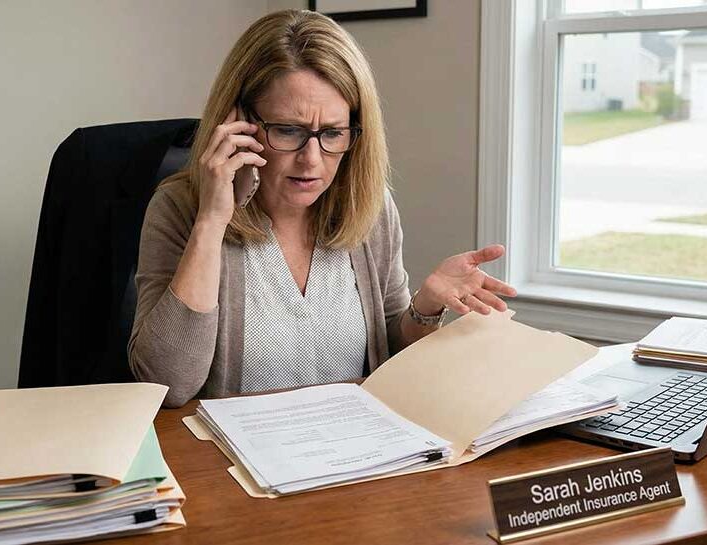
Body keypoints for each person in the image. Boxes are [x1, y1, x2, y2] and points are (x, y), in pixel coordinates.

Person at [128, 9, 516, 408]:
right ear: (239, 122)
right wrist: (211, 221)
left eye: (332, 133)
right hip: (227, 462)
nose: (312, 159)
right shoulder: (179, 208)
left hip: (350, 454)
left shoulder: (371, 205)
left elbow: (390, 355)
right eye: (289, 130)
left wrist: (427, 306)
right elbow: (169, 385)